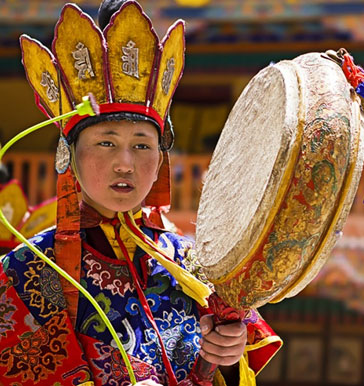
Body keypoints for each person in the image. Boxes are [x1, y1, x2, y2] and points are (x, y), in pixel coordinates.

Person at [0, 1, 282, 385]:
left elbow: (231, 361)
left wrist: (228, 353)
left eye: (143, 145)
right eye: (105, 143)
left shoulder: (195, 265)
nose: (125, 164)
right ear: (69, 155)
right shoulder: (25, 270)